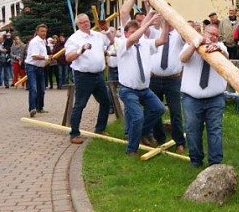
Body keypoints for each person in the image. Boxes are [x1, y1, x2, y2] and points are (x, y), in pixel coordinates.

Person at [116, 11, 167, 156]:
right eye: (132, 31)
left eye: (136, 30)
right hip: (128, 90)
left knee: (159, 109)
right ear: (126, 33)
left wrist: (166, 23)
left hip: (144, 89)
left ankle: (139, 132)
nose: (136, 34)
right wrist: (148, 24)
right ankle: (131, 149)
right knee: (137, 117)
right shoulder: (123, 44)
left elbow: (162, 40)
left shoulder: (144, 43)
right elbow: (133, 38)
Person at [179, 23, 229, 168]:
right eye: (210, 34)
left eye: (216, 35)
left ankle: (215, 163)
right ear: (203, 32)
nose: (213, 37)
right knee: (192, 130)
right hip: (191, 98)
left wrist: (219, 49)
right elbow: (183, 58)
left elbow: (226, 57)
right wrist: (195, 45)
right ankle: (195, 160)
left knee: (215, 130)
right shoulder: (191, 44)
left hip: (215, 98)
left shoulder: (220, 47)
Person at [63, 14, 116, 144]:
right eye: (82, 23)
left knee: (105, 102)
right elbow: (68, 58)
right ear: (78, 25)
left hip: (98, 75)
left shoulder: (97, 35)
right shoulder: (74, 39)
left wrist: (107, 30)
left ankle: (100, 129)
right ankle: (74, 134)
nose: (85, 24)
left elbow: (112, 41)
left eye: (86, 21)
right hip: (83, 76)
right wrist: (80, 50)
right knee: (80, 105)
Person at [150, 18, 186, 152]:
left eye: (169, 19)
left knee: (175, 111)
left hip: (173, 80)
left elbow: (185, 35)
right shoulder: (155, 33)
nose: (167, 22)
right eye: (165, 19)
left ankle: (179, 142)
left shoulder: (179, 35)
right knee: (155, 110)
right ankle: (159, 139)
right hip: (154, 78)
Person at [25, 24, 50, 117]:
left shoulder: (43, 41)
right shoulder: (35, 41)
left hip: (40, 67)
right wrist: (46, 57)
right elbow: (34, 56)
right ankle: (32, 108)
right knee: (33, 88)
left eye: (45, 31)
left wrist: (48, 59)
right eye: (42, 31)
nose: (44, 33)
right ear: (37, 32)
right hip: (31, 67)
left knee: (42, 89)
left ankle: (40, 107)